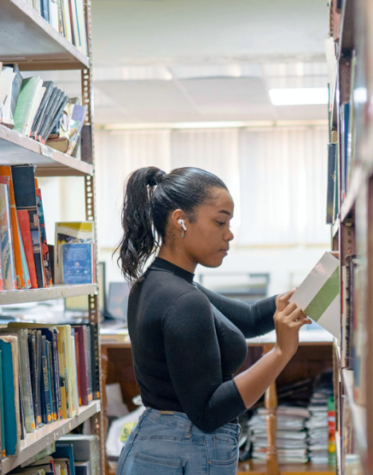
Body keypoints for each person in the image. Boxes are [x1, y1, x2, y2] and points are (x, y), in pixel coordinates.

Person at [114, 167, 311, 475]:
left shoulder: (159, 282)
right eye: (220, 221)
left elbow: (248, 318)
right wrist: (281, 353)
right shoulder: (182, 299)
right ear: (181, 220)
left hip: (159, 446)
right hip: (183, 454)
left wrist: (306, 295)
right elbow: (208, 412)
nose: (229, 234)